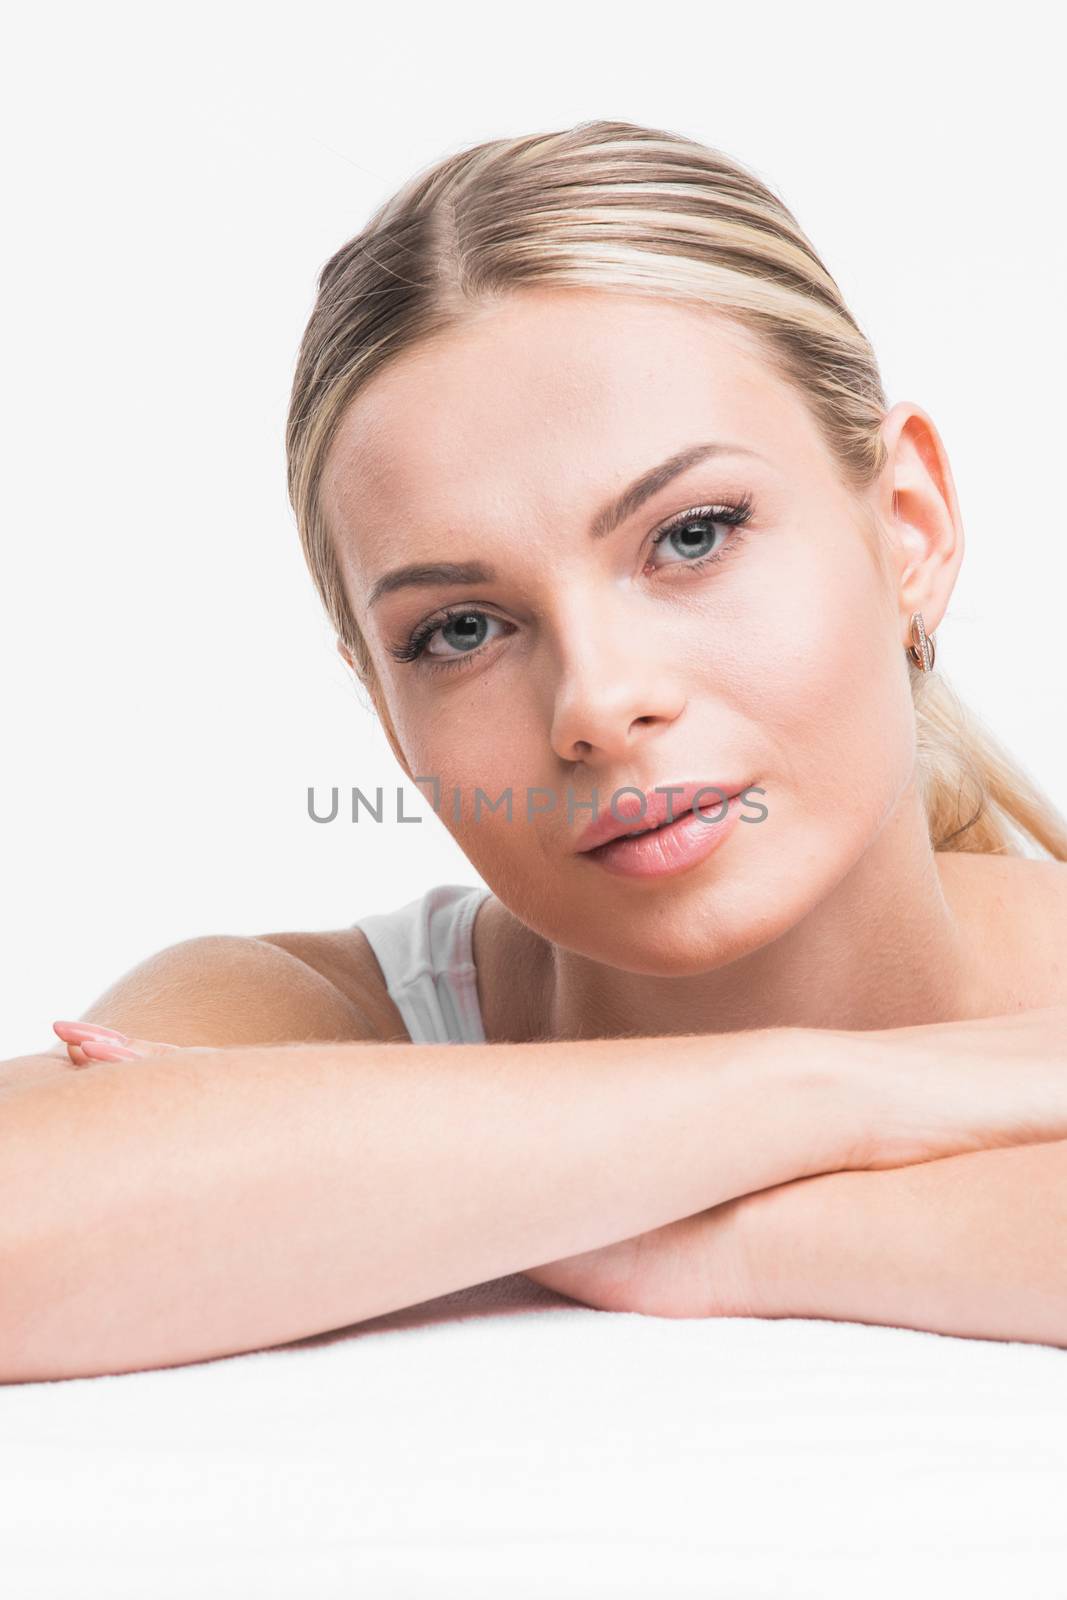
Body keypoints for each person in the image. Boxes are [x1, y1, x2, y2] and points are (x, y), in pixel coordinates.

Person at [6, 119, 1067, 1383]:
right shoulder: (333, 1014)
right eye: (459, 629)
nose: (598, 703)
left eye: (689, 536)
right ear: (382, 707)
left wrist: (738, 1236)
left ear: (906, 528)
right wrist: (838, 1098)